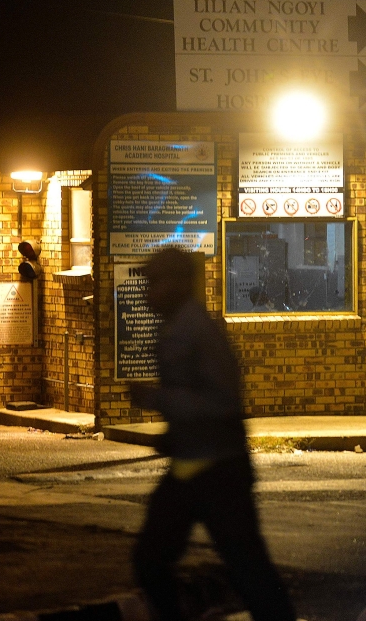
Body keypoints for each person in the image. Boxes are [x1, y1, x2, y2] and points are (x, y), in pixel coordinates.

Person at [130, 246, 296, 621]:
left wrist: (157, 398)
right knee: (152, 559)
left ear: (179, 284)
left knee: (246, 567)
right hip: (192, 468)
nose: (147, 291)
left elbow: (222, 402)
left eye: (155, 281)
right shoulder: (174, 326)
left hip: (218, 472)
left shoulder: (198, 330)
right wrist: (172, 435)